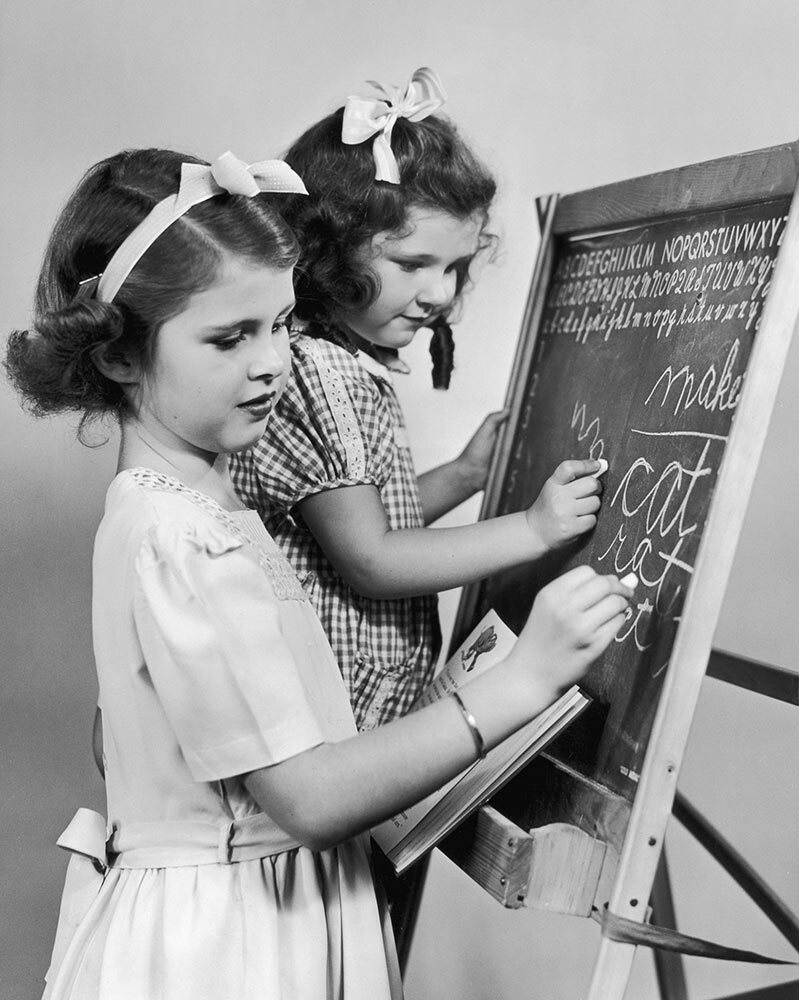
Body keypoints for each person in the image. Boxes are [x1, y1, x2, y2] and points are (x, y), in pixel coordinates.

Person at [6, 146, 634, 1000]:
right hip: (231, 950)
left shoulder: (201, 510)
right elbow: (307, 798)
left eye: (281, 324)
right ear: (118, 357)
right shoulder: (179, 537)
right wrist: (520, 680)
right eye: (231, 336)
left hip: (273, 911)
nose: (272, 362)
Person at [230, 68, 607, 735]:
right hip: (333, 718)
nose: (438, 293)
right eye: (412, 264)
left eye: (455, 267)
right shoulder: (320, 376)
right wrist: (533, 531)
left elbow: (353, 520)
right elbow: (370, 559)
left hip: (362, 704)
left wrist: (464, 474)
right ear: (323, 254)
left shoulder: (343, 365)